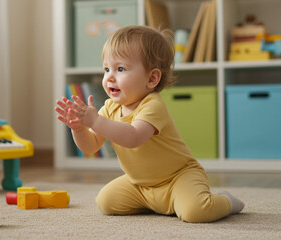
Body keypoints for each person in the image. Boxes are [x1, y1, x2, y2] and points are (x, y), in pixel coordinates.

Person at [54, 25, 244, 223]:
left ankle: (225, 201)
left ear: (152, 78)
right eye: (106, 69)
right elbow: (90, 146)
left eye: (120, 69)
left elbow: (133, 137)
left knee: (196, 212)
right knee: (105, 202)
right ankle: (159, 204)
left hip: (178, 177)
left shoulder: (152, 105)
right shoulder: (109, 109)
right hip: (141, 185)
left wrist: (95, 120)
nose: (110, 76)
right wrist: (79, 129)